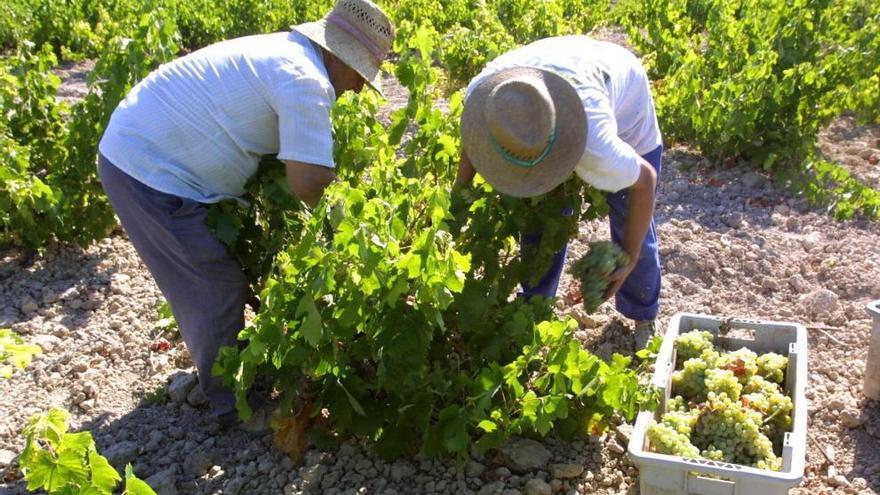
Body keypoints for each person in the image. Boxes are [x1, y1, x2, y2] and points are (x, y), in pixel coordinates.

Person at [96, 0, 394, 430]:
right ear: (339, 57)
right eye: (361, 75)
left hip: (143, 149)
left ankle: (228, 370)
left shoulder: (285, 53)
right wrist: (355, 237)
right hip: (150, 171)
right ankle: (232, 405)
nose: (360, 89)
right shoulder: (306, 80)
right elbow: (309, 183)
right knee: (215, 283)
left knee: (211, 276)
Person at [454, 35, 663, 350]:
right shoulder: (489, 98)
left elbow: (645, 182)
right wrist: (458, 202)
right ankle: (537, 306)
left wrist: (630, 257)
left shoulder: (599, 146)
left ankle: (644, 315)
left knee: (628, 211)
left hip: (619, 87)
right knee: (540, 213)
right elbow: (474, 144)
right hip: (556, 70)